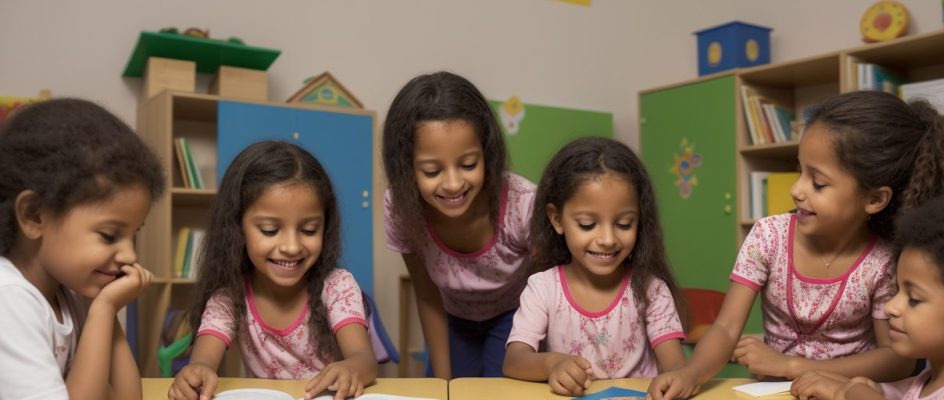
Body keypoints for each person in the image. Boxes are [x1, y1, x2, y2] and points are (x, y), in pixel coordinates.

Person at [649, 91, 944, 399]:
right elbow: (726, 329)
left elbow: (897, 360)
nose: (797, 190)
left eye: (818, 182)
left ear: (874, 199)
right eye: (800, 171)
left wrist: (790, 365)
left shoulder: (881, 261)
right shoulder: (768, 237)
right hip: (773, 393)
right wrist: (690, 373)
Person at [168, 141, 376, 400]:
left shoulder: (337, 286)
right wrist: (196, 372)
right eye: (270, 230)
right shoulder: (229, 298)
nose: (291, 246)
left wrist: (352, 368)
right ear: (237, 228)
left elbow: (365, 359)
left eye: (309, 230)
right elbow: (203, 362)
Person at [0, 98, 166, 399]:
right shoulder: (8, 301)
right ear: (34, 215)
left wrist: (105, 309)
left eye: (134, 235)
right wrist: (102, 310)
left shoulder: (70, 294)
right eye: (108, 235)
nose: (130, 256)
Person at [503, 137, 687, 397]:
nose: (608, 240)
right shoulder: (543, 288)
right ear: (557, 219)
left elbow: (676, 368)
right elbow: (514, 361)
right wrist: (551, 364)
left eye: (624, 224)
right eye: (588, 224)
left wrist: (675, 381)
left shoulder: (651, 289)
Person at [382, 71, 536, 378]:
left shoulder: (522, 203)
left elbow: (550, 291)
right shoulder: (401, 207)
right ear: (406, 169)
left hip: (518, 317)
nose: (453, 184)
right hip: (452, 319)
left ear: (487, 154)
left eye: (468, 164)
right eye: (431, 171)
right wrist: (442, 382)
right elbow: (426, 294)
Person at [790, 199, 944, 399]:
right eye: (897, 290)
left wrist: (849, 393)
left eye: (914, 299)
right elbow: (871, 390)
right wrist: (845, 386)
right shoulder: (926, 382)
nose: (891, 307)